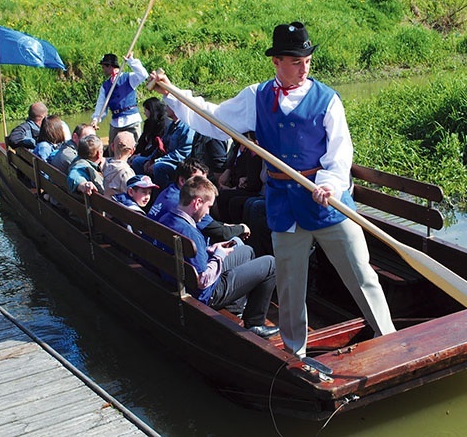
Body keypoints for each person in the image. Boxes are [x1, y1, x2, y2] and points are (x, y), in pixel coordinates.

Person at [150, 21, 396, 357]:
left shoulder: (328, 100)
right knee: (291, 288)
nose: (304, 67)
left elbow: (340, 155)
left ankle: (391, 340)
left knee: (361, 275)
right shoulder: (256, 97)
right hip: (283, 205)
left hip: (327, 202)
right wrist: (173, 92)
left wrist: (328, 184)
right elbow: (215, 120)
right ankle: (296, 356)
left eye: (307, 60)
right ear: (276, 61)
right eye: (296, 61)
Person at [157, 176, 278, 338]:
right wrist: (219, 256)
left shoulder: (167, 219)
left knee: (247, 251)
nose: (208, 212)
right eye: (208, 207)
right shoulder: (190, 233)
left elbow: (187, 257)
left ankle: (234, 309)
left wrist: (210, 250)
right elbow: (203, 281)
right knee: (270, 264)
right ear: (197, 202)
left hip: (178, 278)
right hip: (206, 293)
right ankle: (255, 324)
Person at [148, 157, 251, 244]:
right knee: (238, 243)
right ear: (182, 180)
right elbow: (219, 232)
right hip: (171, 259)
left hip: (154, 251)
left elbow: (213, 225)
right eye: (198, 181)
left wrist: (230, 226)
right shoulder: (184, 203)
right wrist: (241, 228)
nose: (203, 186)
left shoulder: (169, 192)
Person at [91, 52, 148, 147]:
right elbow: (101, 105)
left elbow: (143, 75)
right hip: (116, 123)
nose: (103, 70)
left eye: (104, 67)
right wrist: (96, 119)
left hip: (131, 120)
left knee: (136, 147)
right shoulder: (105, 86)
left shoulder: (128, 78)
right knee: (112, 149)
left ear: (109, 66)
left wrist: (131, 61)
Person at [140, 103, 194, 189]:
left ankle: (159, 196)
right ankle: (142, 191)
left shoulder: (187, 128)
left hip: (178, 164)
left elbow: (182, 154)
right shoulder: (171, 125)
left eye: (169, 106)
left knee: (159, 167)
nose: (165, 108)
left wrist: (158, 161)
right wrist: (150, 159)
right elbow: (161, 145)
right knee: (139, 162)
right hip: (165, 159)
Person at [216, 133, 264, 223]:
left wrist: (235, 188)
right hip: (242, 185)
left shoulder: (255, 153)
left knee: (234, 202)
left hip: (254, 190)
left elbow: (254, 182)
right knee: (222, 195)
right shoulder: (239, 148)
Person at [130, 97, 171, 174]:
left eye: (145, 110)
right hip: (147, 152)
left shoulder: (164, 125)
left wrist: (141, 155)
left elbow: (158, 146)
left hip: (156, 154)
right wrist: (135, 153)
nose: (144, 113)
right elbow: (142, 141)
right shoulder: (148, 123)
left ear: (151, 110)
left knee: (137, 161)